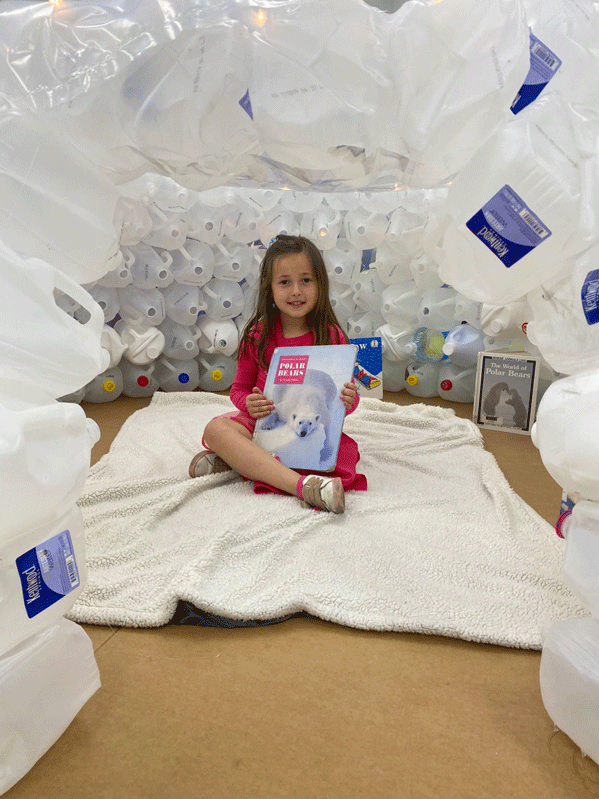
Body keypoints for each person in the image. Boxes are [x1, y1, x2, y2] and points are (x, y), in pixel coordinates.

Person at [188, 234, 367, 513]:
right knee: (216, 429)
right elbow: (238, 390)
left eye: (306, 280)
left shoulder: (332, 336)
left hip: (303, 430)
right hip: (262, 425)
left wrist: (348, 400)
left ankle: (252, 467)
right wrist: (249, 403)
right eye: (284, 282)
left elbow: (345, 404)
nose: (296, 290)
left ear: (320, 284)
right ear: (269, 288)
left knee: (322, 450)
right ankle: (299, 483)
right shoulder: (258, 335)